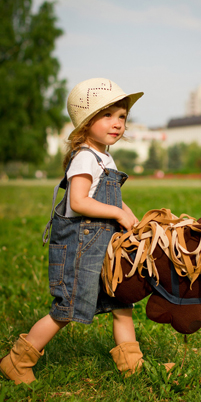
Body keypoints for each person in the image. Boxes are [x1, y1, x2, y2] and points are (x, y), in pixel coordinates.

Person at [0, 78, 146, 384]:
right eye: (107, 115)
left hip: (101, 248)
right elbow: (79, 202)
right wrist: (117, 212)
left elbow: (109, 197)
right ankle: (16, 361)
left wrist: (129, 214)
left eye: (122, 116)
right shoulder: (84, 157)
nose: (117, 123)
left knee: (122, 304)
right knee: (66, 309)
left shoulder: (105, 156)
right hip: (80, 250)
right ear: (86, 122)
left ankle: (133, 369)